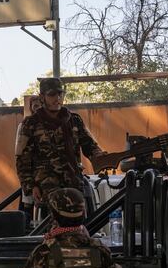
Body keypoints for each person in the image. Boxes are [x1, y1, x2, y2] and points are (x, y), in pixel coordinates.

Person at [15, 78, 106, 215]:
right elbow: (22, 159)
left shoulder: (74, 120)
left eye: (60, 94)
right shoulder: (31, 124)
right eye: (52, 95)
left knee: (77, 225)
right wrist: (30, 186)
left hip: (73, 183)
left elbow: (90, 146)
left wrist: (102, 158)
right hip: (47, 187)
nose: (57, 98)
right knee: (52, 229)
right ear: (42, 97)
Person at [16, 96, 43, 224]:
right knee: (28, 205)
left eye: (40, 105)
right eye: (35, 106)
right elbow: (19, 151)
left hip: (44, 174)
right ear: (31, 107)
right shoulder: (25, 125)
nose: (38, 108)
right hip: (29, 170)